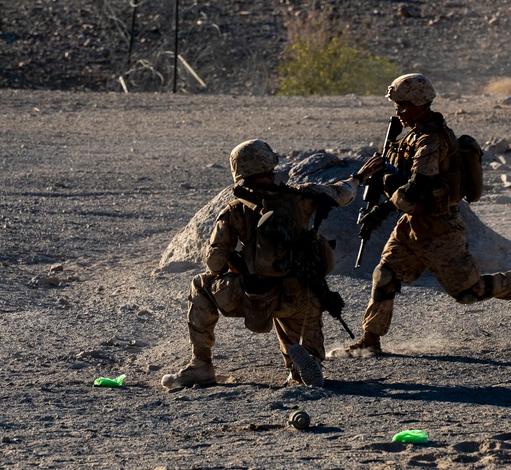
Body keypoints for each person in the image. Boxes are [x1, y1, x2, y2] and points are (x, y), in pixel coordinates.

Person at [344, 73, 511, 356]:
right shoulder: (411, 135)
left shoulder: (431, 140)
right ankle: (370, 339)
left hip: (440, 227)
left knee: (469, 292)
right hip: (412, 224)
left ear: (420, 103)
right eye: (396, 104)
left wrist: (383, 208)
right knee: (385, 275)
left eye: (403, 104)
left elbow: (420, 187)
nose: (398, 111)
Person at [161, 139, 382, 390]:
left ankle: (201, 365)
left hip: (257, 296)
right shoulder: (302, 196)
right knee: (305, 302)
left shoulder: (235, 209)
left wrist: (240, 263)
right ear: (270, 166)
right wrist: (359, 177)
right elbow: (343, 193)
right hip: (302, 295)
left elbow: (214, 263)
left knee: (201, 284)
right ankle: (305, 365)